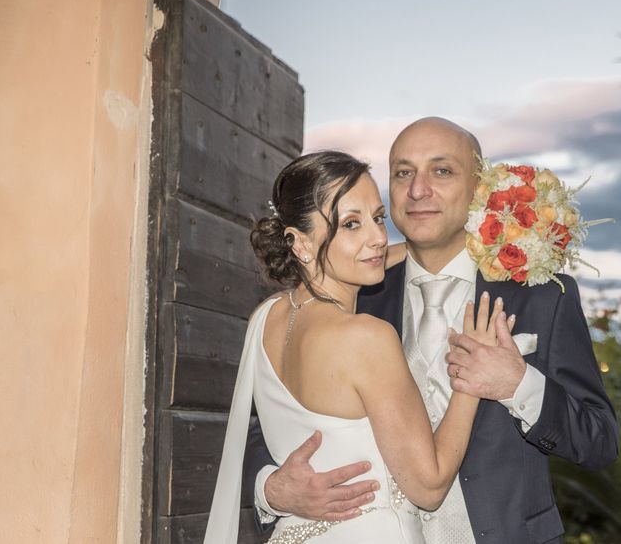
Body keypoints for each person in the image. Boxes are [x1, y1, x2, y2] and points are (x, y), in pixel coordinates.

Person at [242, 118, 619, 544]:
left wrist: (519, 384)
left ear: (481, 189)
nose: (418, 189)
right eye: (403, 173)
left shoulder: (542, 295)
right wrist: (271, 488)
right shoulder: (351, 294)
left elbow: (599, 440)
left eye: (441, 171)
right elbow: (269, 416)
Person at [203, 150, 513, 543]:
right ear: (298, 242)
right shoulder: (366, 337)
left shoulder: (265, 319)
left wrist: (452, 242)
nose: (379, 238)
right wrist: (470, 377)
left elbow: (373, 255)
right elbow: (429, 487)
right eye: (351, 224)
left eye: (378, 218)